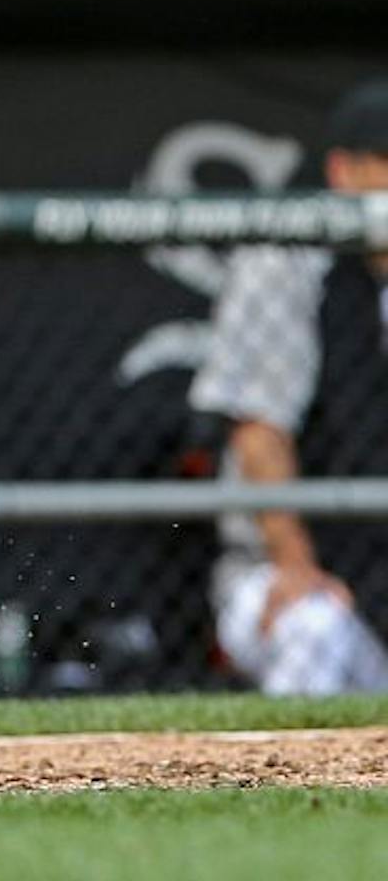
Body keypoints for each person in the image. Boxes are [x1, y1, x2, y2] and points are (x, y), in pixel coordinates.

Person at [189, 81, 388, 695]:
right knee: (313, 628)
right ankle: (294, 790)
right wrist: (296, 563)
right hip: (285, 571)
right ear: (342, 170)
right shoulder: (289, 256)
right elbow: (258, 432)